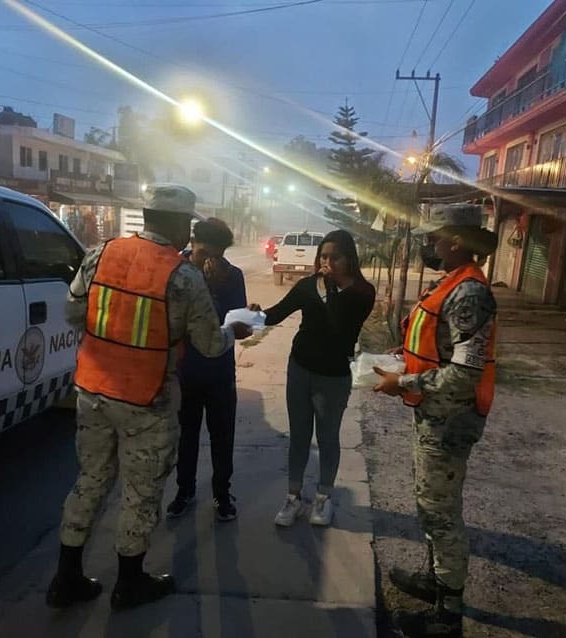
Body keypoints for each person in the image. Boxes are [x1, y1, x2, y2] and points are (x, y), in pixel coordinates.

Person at [45, 185, 252, 612]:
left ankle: (65, 579)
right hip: (146, 399)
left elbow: (72, 312)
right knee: (140, 492)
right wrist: (234, 332)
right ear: (176, 223)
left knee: (90, 480)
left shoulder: (102, 253)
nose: (189, 231)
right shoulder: (182, 276)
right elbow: (211, 346)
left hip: (93, 390)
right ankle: (129, 583)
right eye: (188, 223)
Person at [372, 204, 498, 638]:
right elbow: (435, 344)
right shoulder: (452, 282)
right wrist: (398, 358)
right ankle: (436, 581)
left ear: (457, 241)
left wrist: (403, 379)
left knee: (442, 515)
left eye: (436, 236)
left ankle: (448, 616)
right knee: (430, 506)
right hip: (433, 414)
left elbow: (465, 371)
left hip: (450, 420)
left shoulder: (470, 293)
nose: (430, 243)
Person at [252, 229, 375, 527]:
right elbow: (276, 314)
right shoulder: (308, 286)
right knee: (299, 436)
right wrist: (253, 315)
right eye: (324, 256)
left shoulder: (362, 292)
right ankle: (293, 497)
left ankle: (323, 497)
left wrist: (330, 287)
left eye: (335, 257)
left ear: (349, 259)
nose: (328, 262)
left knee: (328, 437)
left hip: (333, 377)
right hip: (300, 369)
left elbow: (340, 328)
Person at [167, 218, 247, 522]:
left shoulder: (232, 276)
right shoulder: (177, 272)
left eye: (218, 256)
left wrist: (219, 290)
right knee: (186, 436)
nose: (211, 262)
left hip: (220, 372)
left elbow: (238, 323)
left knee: (222, 436)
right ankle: (184, 490)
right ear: (192, 243)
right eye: (204, 254)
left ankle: (222, 494)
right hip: (185, 371)